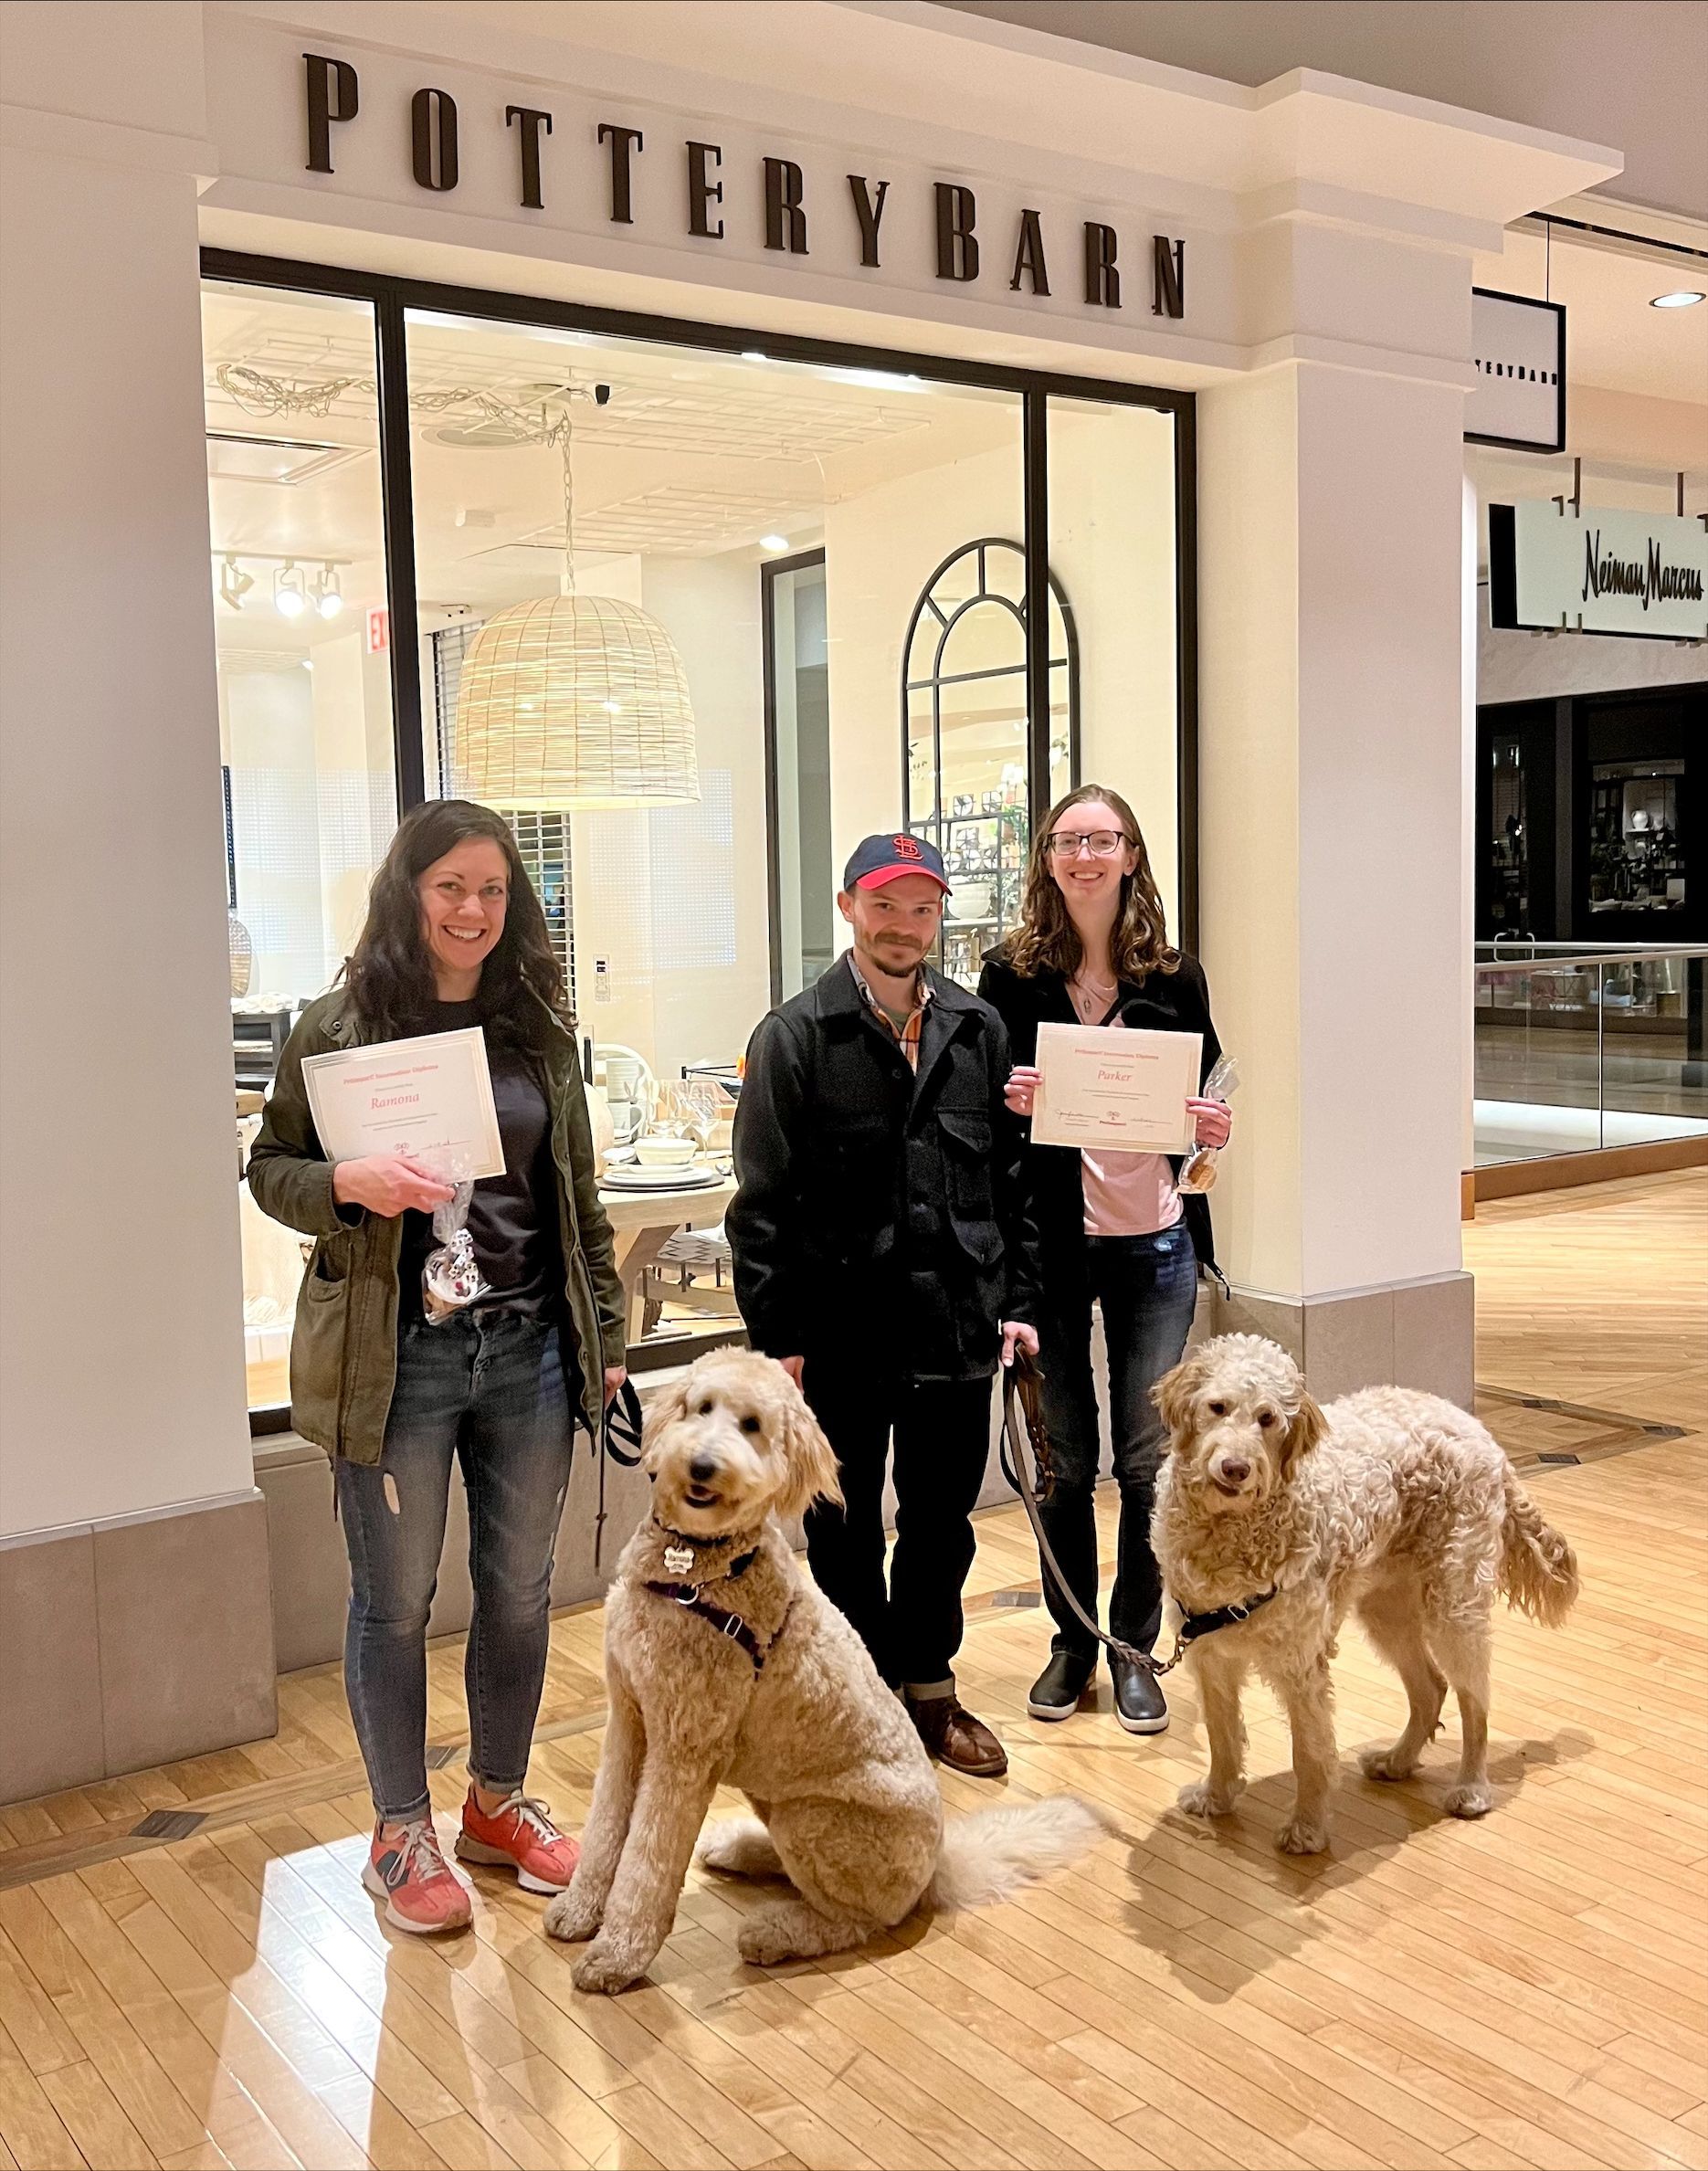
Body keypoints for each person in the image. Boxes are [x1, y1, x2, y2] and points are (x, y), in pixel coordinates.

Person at [248, 800, 628, 1934]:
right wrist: (345, 1188)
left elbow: (578, 1203)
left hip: (526, 1349)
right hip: (395, 1356)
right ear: (408, 894)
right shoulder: (339, 1026)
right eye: (450, 886)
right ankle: (398, 1829)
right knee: (396, 1600)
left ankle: (498, 1803)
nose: (472, 909)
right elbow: (269, 1167)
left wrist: (602, 1335)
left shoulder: (536, 1034)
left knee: (520, 1591)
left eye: (493, 891)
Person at [726, 832, 1041, 1777]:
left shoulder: (978, 1029)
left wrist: (1017, 1300)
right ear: (847, 907)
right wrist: (777, 1341)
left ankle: (931, 1689)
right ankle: (861, 1697)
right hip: (839, 1336)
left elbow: (1012, 1181)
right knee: (843, 1522)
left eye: (921, 907)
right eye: (885, 904)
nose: (903, 925)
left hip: (957, 1322)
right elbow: (760, 1203)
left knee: (943, 1520)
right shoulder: (791, 1037)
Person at [978, 785, 1230, 1735]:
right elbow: (986, 1118)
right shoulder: (1008, 978)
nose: (1085, 855)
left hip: (1155, 1242)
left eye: (1103, 839)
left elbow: (1206, 1103)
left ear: (1131, 855)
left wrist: (1211, 1126)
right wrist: (1008, 1096)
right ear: (1047, 859)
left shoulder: (1174, 977)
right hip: (1048, 1247)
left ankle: (1131, 1644)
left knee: (1146, 1456)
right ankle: (1070, 1640)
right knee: (1061, 1462)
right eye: (1068, 840)